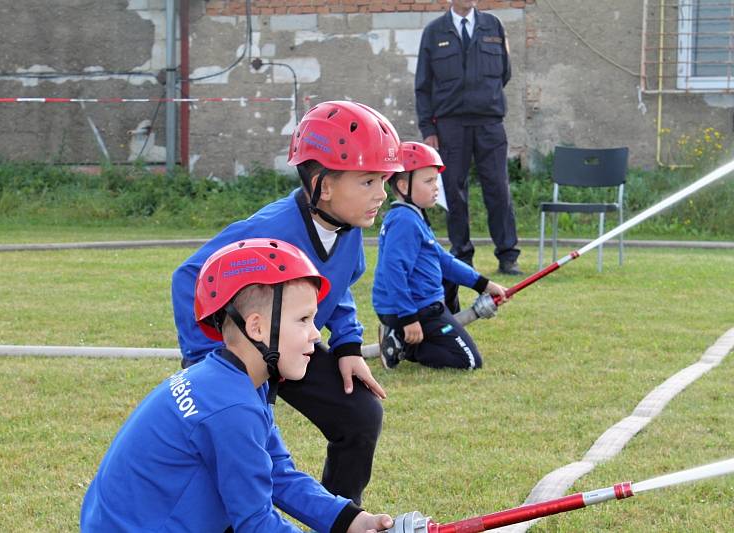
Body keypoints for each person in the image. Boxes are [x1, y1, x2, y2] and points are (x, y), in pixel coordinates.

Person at [171, 101, 404, 505]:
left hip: (296, 344)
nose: (381, 195)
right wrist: (209, 361)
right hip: (250, 352)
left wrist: (348, 345)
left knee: (360, 415)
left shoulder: (348, 227)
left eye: (383, 181)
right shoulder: (269, 229)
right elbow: (188, 277)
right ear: (323, 186)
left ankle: (341, 516)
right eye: (368, 182)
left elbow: (338, 285)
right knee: (246, 451)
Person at [81, 239, 394, 532]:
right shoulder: (232, 407)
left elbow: (278, 473)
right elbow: (255, 523)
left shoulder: (230, 382)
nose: (316, 334)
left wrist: (351, 520)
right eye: (303, 320)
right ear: (256, 327)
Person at [415, 0, 522, 314]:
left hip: (489, 123)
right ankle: (462, 257)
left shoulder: (493, 26)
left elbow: (504, 72)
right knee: (454, 193)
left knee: (498, 190)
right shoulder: (435, 32)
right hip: (450, 125)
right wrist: (427, 129)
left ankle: (508, 256)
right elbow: (423, 85)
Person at [373, 141, 508, 370]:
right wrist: (408, 318)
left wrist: (483, 284)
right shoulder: (405, 221)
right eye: (428, 181)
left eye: (436, 180)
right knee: (469, 361)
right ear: (404, 185)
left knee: (448, 278)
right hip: (413, 310)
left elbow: (444, 261)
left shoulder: (413, 216)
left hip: (422, 304)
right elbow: (393, 271)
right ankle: (404, 344)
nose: (436, 187)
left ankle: (424, 334)